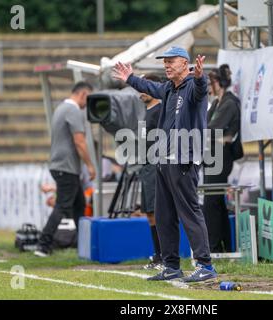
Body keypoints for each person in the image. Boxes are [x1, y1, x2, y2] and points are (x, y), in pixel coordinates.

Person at [112, 46, 217, 282]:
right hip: (164, 160)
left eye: (171, 61)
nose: (166, 65)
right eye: (165, 62)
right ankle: (171, 265)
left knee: (189, 212)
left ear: (185, 64)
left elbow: (201, 89)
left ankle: (205, 265)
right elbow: (150, 87)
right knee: (164, 215)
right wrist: (130, 78)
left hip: (184, 159)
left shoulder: (193, 85)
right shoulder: (169, 88)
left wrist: (200, 77)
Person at [34, 81, 96, 257]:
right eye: (88, 98)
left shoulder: (61, 108)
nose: (87, 104)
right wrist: (90, 165)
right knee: (63, 206)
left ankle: (82, 245)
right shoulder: (73, 110)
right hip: (66, 167)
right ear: (83, 94)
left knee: (79, 205)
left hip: (62, 165)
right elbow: (79, 141)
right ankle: (43, 245)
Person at [203, 64, 240, 253]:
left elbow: (211, 128)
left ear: (218, 83)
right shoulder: (218, 102)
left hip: (221, 155)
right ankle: (222, 245)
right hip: (213, 153)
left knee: (211, 201)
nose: (208, 87)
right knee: (215, 202)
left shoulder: (229, 103)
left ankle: (215, 246)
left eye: (210, 83)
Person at [138, 73, 164, 270]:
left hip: (156, 166)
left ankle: (164, 257)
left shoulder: (160, 110)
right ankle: (158, 255)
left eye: (144, 87)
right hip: (146, 166)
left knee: (159, 211)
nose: (140, 92)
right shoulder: (147, 111)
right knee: (149, 213)